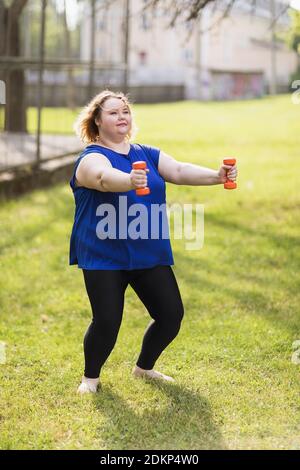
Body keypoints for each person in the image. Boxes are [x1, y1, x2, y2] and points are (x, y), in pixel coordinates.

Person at [69, 89, 238, 394]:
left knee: (171, 315)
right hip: (103, 252)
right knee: (107, 321)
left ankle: (143, 368)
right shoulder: (90, 158)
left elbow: (179, 170)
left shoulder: (146, 153)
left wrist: (217, 176)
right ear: (96, 120)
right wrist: (129, 181)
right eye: (113, 112)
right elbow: (103, 179)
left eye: (125, 111)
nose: (122, 116)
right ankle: (90, 378)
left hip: (147, 250)